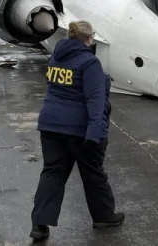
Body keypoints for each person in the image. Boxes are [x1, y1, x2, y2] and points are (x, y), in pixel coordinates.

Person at [30, 20, 124, 242]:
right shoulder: (89, 63)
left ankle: (40, 225)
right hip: (78, 130)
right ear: (89, 40)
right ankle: (103, 216)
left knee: (52, 173)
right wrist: (95, 134)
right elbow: (95, 101)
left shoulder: (56, 57)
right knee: (93, 173)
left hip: (50, 126)